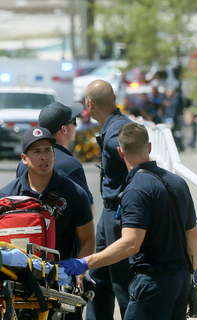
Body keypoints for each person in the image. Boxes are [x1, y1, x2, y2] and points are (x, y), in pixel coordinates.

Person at [59, 122, 197, 320]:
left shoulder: (135, 189)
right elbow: (192, 235)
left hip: (153, 284)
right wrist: (192, 274)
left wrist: (85, 262)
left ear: (120, 152)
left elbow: (131, 243)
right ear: (149, 147)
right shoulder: (177, 182)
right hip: (181, 282)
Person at [0, 126, 95, 268]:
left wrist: (79, 273)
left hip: (61, 279)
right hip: (17, 278)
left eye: (47, 150)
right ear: (24, 158)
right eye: (37, 152)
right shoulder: (6, 196)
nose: (44, 157)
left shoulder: (74, 193)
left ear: (54, 155)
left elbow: (88, 240)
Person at [84, 79, 133, 320]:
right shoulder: (115, 125)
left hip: (120, 217)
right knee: (98, 279)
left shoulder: (117, 131)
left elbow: (134, 158)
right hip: (109, 215)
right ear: (114, 99)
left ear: (90, 104)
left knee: (123, 284)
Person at [16, 101, 95, 215]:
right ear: (64, 129)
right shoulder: (71, 164)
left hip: (32, 229)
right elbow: (87, 210)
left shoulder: (24, 163)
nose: (76, 126)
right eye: (74, 122)